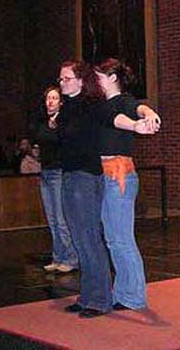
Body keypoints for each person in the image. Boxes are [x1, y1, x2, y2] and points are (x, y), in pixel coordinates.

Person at [93, 58, 160, 311]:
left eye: (99, 76)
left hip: (118, 174)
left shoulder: (122, 101)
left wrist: (149, 114)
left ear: (112, 78)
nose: (95, 81)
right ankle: (123, 292)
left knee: (121, 238)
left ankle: (132, 296)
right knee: (113, 238)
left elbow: (134, 110)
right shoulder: (101, 106)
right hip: (104, 175)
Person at [56, 60, 113, 318]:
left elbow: (116, 118)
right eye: (60, 79)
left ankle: (100, 300)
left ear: (80, 80)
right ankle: (87, 296)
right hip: (69, 175)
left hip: (85, 177)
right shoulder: (66, 108)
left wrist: (137, 122)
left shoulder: (92, 106)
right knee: (79, 239)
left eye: (67, 79)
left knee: (89, 238)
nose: (62, 83)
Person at [33, 86, 78, 273]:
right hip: (46, 172)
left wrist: (57, 128)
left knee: (61, 219)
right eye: (48, 98)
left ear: (60, 102)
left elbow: (68, 143)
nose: (50, 101)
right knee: (52, 219)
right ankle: (57, 257)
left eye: (54, 98)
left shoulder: (64, 122)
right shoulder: (42, 122)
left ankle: (71, 259)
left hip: (59, 172)